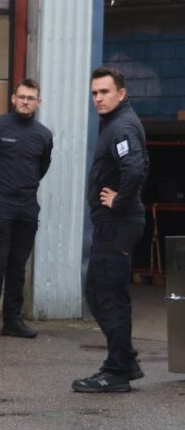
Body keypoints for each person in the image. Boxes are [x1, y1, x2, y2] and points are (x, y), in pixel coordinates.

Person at [72, 66, 149, 393]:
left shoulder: (121, 126)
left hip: (118, 222)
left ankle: (117, 370)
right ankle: (125, 359)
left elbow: (136, 167)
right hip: (112, 224)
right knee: (97, 292)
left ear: (122, 93)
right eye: (95, 93)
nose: (99, 98)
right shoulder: (116, 123)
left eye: (105, 92)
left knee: (108, 296)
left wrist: (118, 201)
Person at [0, 78, 53, 340]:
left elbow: (41, 168)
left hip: (27, 207)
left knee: (18, 265)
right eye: (21, 97)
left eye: (31, 98)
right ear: (13, 98)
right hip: (1, 205)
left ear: (38, 102)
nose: (25, 101)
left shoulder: (43, 135)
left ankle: (13, 321)